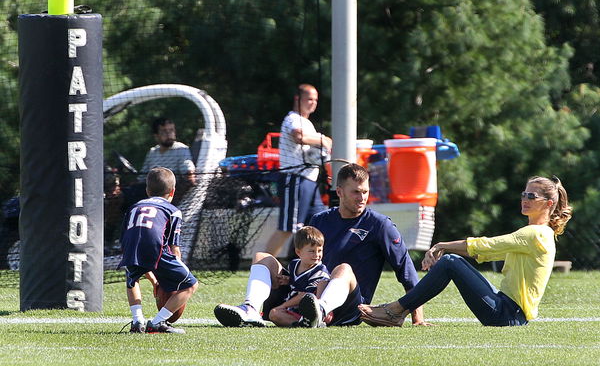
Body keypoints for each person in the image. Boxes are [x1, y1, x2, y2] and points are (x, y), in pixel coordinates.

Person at [213, 163, 426, 327]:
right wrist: (289, 277)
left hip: (346, 306)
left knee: (343, 269)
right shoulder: (320, 220)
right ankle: (251, 310)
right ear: (340, 192)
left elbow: (406, 271)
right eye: (355, 192)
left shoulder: (380, 225)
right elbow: (303, 259)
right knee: (263, 258)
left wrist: (418, 317)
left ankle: (320, 312)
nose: (362, 198)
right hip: (306, 292)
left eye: (365, 192)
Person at [358, 175, 572, 327]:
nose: (525, 199)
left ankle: (395, 311)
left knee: (450, 261)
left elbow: (486, 245)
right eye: (524, 193)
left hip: (509, 316)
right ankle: (397, 312)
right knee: (451, 262)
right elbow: (488, 253)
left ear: (549, 203)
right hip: (507, 309)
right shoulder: (535, 233)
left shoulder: (536, 234)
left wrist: (442, 245)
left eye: (532, 196)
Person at [119, 167, 198, 334]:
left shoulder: (134, 207)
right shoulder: (173, 211)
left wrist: (155, 281)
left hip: (130, 247)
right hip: (156, 249)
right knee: (191, 285)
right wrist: (175, 274)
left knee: (132, 280)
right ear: (173, 191)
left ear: (147, 190)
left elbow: (136, 244)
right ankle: (157, 322)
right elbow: (173, 247)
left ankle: (137, 321)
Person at [264, 84, 333, 256]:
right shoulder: (293, 119)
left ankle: (300, 266)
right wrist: (323, 140)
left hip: (309, 181)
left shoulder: (307, 123)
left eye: (316, 100)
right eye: (309, 99)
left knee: (317, 226)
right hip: (294, 179)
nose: (313, 103)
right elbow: (299, 136)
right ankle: (261, 269)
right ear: (297, 99)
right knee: (288, 228)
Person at [263, 226, 329, 327]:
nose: (316, 255)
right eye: (311, 251)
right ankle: (302, 324)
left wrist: (283, 306)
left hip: (307, 312)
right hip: (292, 309)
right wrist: (288, 280)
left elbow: (307, 296)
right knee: (273, 314)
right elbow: (297, 283)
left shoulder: (320, 272)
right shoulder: (294, 265)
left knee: (275, 313)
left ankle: (310, 322)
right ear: (298, 252)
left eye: (319, 250)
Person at [138, 118, 196, 203]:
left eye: (171, 130)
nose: (169, 134)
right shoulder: (152, 152)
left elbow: (189, 175)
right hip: (151, 196)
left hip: (174, 197)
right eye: (164, 131)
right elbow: (141, 178)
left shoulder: (181, 149)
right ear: (156, 135)